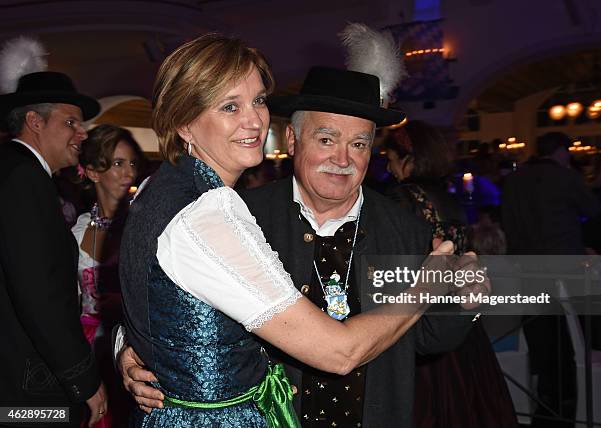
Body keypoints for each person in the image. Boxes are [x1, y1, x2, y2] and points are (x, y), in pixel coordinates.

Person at [119, 61, 488, 427]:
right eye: (326, 139)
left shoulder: (405, 229)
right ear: (293, 140)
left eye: (358, 144)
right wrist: (132, 348)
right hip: (277, 416)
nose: (342, 159)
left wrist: (464, 304)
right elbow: (162, 289)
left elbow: (421, 336)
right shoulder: (241, 215)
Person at [383, 122, 517, 427]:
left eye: (391, 159)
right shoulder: (449, 196)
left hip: (423, 320)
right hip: (457, 316)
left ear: (409, 158)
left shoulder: (401, 198)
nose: (390, 169)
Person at [0, 70, 106, 427]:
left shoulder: (14, 170)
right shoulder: (23, 177)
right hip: (24, 381)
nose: (82, 133)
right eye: (71, 121)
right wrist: (83, 379)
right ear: (34, 121)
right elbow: (39, 293)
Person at [502, 131, 601, 427]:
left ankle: (547, 400)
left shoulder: (515, 180)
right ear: (561, 151)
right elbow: (593, 210)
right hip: (564, 265)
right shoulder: (565, 177)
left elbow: (508, 220)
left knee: (542, 334)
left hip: (528, 265)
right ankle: (570, 399)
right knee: (575, 331)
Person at [72, 124, 143, 427]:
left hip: (131, 343)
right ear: (92, 172)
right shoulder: (77, 230)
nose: (129, 173)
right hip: (86, 345)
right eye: (117, 163)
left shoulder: (142, 225)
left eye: (132, 163)